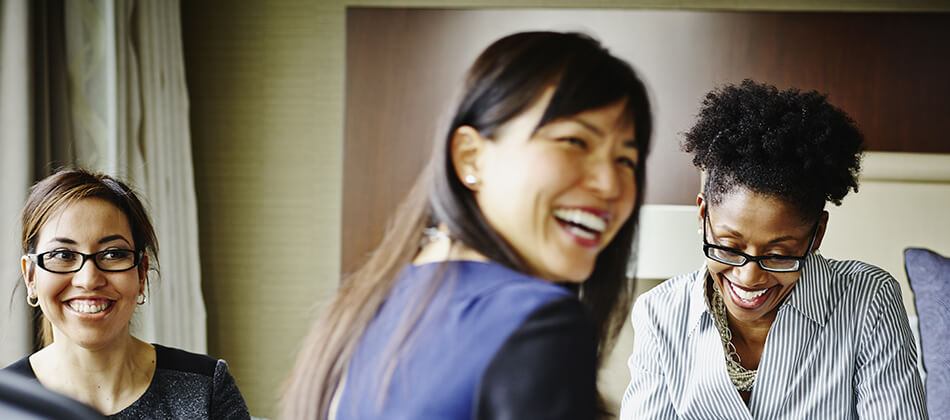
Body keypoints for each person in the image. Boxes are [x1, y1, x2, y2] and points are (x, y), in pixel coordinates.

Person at [282, 31, 653, 419]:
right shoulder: (538, 321)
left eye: (626, 160)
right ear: (470, 157)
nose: (610, 185)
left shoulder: (370, 302)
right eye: (574, 141)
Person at [620, 80, 927, 419]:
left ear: (817, 234)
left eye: (778, 255)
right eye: (729, 247)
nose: (749, 276)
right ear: (703, 214)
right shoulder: (659, 315)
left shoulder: (868, 301)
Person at [3, 169, 251, 419]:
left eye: (113, 254)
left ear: (141, 273)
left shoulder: (206, 386)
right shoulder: (6, 405)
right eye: (63, 255)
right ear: (31, 276)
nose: (89, 280)